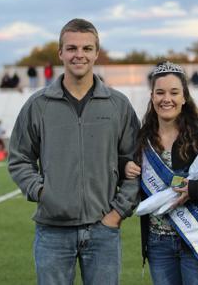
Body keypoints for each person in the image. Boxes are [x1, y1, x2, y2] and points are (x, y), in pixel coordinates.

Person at [8, 18, 140, 285]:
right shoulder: (38, 105)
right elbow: (19, 159)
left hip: (103, 229)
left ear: (96, 53)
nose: (79, 55)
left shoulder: (118, 105)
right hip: (52, 231)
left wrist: (117, 214)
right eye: (71, 48)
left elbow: (137, 163)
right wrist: (42, 192)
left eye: (86, 48)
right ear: (60, 53)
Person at [123, 61, 198, 284]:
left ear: (184, 96)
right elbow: (128, 171)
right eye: (160, 93)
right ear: (152, 96)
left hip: (196, 238)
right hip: (158, 243)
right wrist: (124, 166)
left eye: (174, 92)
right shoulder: (142, 137)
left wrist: (195, 189)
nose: (167, 99)